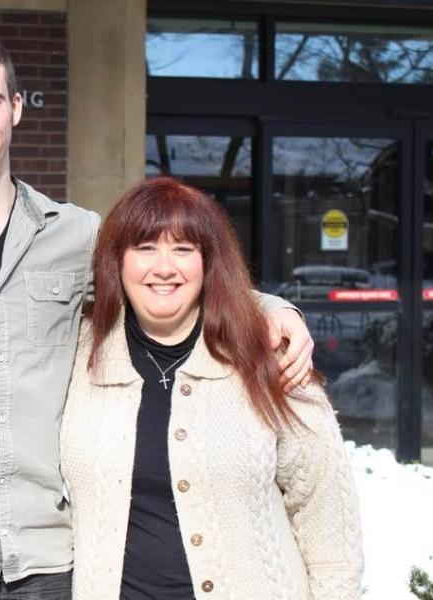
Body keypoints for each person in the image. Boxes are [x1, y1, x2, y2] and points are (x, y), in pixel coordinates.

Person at [0, 31, 316, 599]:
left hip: (47, 562)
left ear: (15, 107)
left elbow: (167, 283)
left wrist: (270, 307)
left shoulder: (78, 235)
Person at [60, 177, 363, 600]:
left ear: (207, 262)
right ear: (118, 260)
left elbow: (325, 516)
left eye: (183, 249)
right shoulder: (76, 350)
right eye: (145, 248)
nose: (163, 267)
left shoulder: (271, 353)